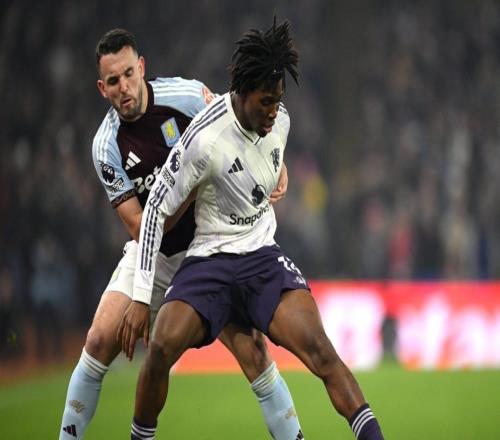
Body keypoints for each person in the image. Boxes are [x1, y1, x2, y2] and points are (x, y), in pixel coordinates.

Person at [129, 17, 385, 440]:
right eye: (266, 102)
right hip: (210, 259)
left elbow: (264, 160)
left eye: (278, 100)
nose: (273, 111)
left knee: (321, 352)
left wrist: (280, 172)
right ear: (243, 92)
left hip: (261, 256)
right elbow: (155, 208)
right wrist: (141, 296)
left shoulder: (279, 121)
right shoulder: (204, 138)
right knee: (159, 348)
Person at [59, 28, 303, 440]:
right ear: (102, 88)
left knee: (255, 353)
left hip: (211, 248)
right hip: (152, 254)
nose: (124, 87)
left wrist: (275, 164)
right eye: (113, 81)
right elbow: (140, 226)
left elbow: (243, 126)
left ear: (142, 68)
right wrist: (185, 186)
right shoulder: (106, 146)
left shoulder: (187, 96)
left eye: (129, 74)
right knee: (99, 339)